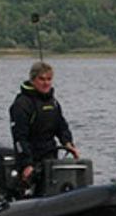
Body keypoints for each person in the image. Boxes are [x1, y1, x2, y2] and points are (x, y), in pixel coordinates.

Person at [9, 61, 77, 189]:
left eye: (49, 79)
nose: (46, 83)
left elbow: (61, 126)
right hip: (32, 157)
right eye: (41, 79)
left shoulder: (53, 102)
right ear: (33, 80)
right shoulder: (22, 104)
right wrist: (26, 164)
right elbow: (19, 138)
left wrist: (68, 144)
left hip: (50, 156)